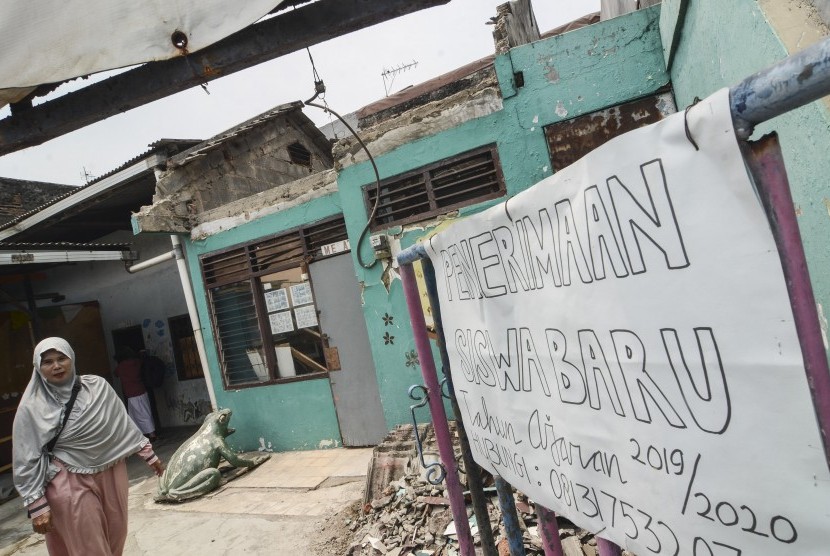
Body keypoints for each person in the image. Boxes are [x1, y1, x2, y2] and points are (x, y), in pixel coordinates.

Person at [12, 337, 164, 555]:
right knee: (90, 548)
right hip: (67, 478)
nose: (56, 366)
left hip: (112, 470)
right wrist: (37, 506)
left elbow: (121, 422)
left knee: (115, 538)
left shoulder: (97, 387)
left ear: (71, 358)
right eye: (47, 361)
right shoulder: (31, 407)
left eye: (61, 358)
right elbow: (25, 458)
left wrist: (148, 454)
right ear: (37, 367)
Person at [113, 346, 157, 441]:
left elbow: (115, 373)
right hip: (141, 391)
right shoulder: (137, 362)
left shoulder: (120, 367)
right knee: (146, 413)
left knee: (134, 416)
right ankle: (152, 434)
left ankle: (141, 435)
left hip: (130, 394)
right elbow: (142, 362)